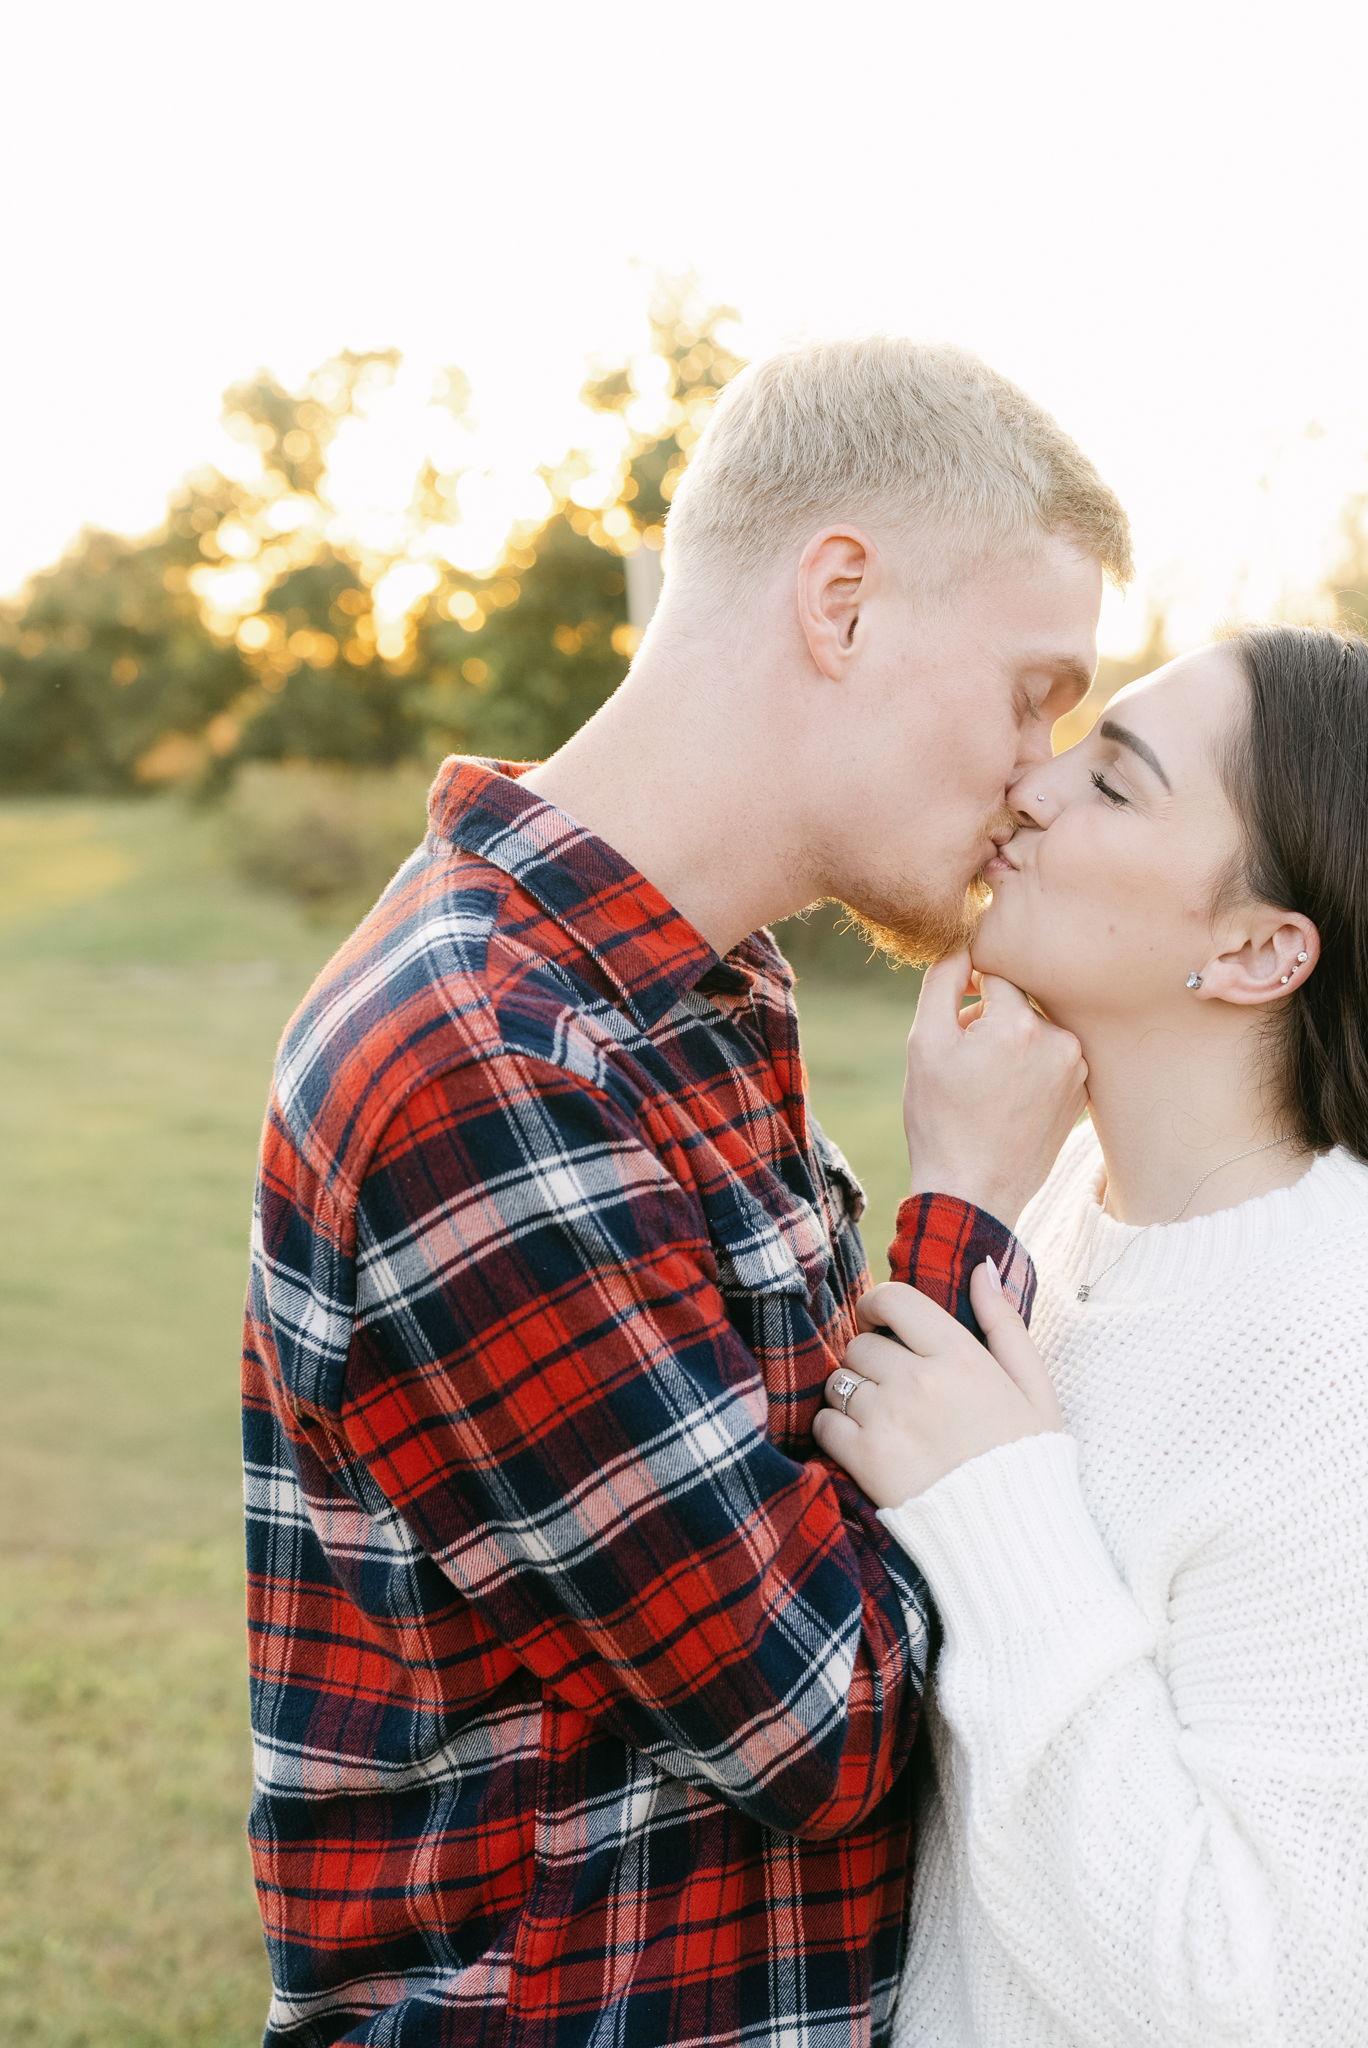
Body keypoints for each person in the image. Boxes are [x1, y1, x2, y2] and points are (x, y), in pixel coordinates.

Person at [239, 336, 1128, 2046]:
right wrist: (967, 1202)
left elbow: (812, 1490)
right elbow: (826, 1724)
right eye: (1033, 689)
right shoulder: (486, 1059)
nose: (1038, 773)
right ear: (844, 603)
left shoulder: (707, 994)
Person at [815, 626, 1368, 2045]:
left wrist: (998, 1511)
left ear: (1254, 950)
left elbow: (1263, 2001)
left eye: (1117, 782)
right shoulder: (1054, 1219)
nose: (1031, 788)